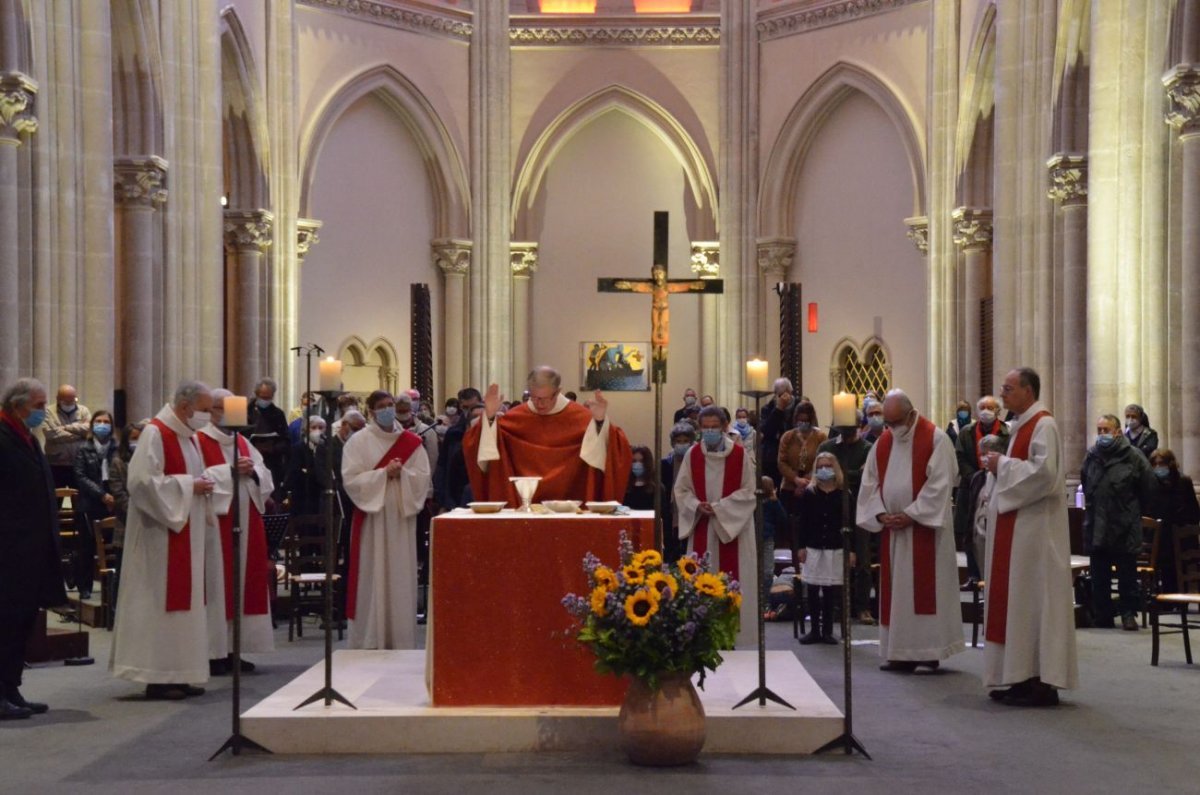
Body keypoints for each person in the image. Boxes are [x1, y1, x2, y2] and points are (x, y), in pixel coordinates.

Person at [110, 381, 219, 700]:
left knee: (186, 604)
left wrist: (200, 485)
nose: (208, 416)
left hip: (186, 530)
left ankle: (180, 672)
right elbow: (142, 483)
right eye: (204, 409)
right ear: (185, 407)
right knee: (159, 603)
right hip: (160, 536)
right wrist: (190, 487)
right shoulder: (156, 433)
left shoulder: (189, 436)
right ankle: (157, 676)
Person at [980, 366, 1078, 706]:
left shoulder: (1044, 424)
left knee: (1035, 604)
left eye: (1008, 388)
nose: (1003, 394)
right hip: (1019, 534)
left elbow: (1046, 474)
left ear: (1028, 391)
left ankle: (1040, 681)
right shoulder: (1022, 424)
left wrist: (1001, 466)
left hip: (1037, 537)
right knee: (1019, 605)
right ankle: (1019, 677)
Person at [856, 389, 963, 672]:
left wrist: (911, 515)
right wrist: (881, 513)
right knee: (897, 593)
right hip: (894, 531)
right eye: (887, 423)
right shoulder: (883, 443)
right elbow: (870, 483)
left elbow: (941, 484)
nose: (891, 428)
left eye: (895, 421)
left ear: (911, 414)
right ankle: (899, 652)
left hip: (925, 531)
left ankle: (927, 651)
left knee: (924, 591)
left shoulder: (936, 438)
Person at [341, 390, 431, 649]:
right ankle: (370, 637)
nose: (388, 410)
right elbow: (351, 480)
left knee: (400, 575)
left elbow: (423, 478)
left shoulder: (411, 442)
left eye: (391, 405)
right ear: (371, 411)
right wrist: (382, 475)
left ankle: (399, 638)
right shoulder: (358, 442)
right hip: (372, 518)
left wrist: (401, 474)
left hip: (401, 516)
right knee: (373, 574)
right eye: (382, 406)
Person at [463, 366, 632, 504]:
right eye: (533, 397)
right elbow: (482, 450)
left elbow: (615, 451)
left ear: (558, 391)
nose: (539, 403)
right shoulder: (515, 417)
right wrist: (490, 417)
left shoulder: (582, 418)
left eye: (544, 398)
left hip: (573, 504)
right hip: (523, 506)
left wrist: (600, 422)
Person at [0, 378, 67, 719]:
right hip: (8, 550)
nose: (44, 412)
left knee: (21, 623)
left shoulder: (28, 437)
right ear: (18, 405)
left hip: (30, 549)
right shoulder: (2, 437)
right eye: (40, 406)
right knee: (5, 622)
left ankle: (11, 688)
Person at [197, 390, 275, 674]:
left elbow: (265, 476)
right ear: (212, 410)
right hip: (216, 523)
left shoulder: (242, 441)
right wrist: (229, 470)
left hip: (246, 518)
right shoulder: (199, 440)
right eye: (222, 408)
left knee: (242, 583)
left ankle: (233, 649)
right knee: (218, 584)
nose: (228, 414)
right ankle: (212, 651)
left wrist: (252, 471)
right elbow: (197, 476)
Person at [673, 406, 758, 648]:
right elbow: (681, 490)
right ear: (700, 429)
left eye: (714, 427)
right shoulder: (692, 455)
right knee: (703, 579)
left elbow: (750, 492)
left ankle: (735, 638)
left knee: (734, 581)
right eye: (705, 427)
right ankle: (702, 636)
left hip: (734, 530)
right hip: (703, 526)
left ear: (723, 427)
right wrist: (696, 505)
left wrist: (720, 508)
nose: (710, 431)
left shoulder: (740, 455)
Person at [1080, 413, 1154, 631]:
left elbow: (1148, 487)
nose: (1102, 434)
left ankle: (1128, 614)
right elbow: (1085, 481)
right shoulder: (1092, 456)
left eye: (1107, 430)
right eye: (1099, 430)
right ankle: (1103, 616)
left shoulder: (1133, 456)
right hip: (1097, 524)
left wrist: (1131, 510)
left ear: (1118, 432)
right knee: (1099, 574)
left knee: (1126, 574)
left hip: (1125, 523)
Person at [817, 413, 874, 624]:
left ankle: (862, 606)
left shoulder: (868, 449)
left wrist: (840, 473)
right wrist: (848, 474)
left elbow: (867, 476)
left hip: (860, 507)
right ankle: (836, 606)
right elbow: (821, 473)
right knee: (833, 557)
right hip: (831, 507)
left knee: (862, 560)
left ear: (859, 425)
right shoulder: (828, 447)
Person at [796, 452, 854, 644]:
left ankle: (828, 630)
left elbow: (850, 524)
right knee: (812, 587)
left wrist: (851, 549)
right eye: (820, 466)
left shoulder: (844, 494)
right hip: (813, 545)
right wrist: (801, 547)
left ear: (835, 468)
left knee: (831, 589)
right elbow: (802, 522)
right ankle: (814, 630)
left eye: (828, 465)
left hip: (835, 546)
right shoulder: (809, 494)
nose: (824, 470)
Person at [953, 395, 1009, 585]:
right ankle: (973, 575)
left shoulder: (1005, 432)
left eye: (990, 407)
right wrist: (977, 476)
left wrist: (992, 472)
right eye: (983, 407)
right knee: (970, 532)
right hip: (970, 486)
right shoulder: (966, 432)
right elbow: (959, 458)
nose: (986, 411)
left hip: (998, 482)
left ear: (998, 411)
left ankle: (993, 576)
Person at [72, 410, 118, 599]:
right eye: (98, 421)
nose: (102, 424)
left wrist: (114, 497)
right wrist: (101, 495)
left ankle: (111, 590)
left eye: (106, 421)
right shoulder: (84, 448)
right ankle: (85, 587)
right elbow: (80, 476)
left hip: (113, 502)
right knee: (86, 546)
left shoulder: (116, 447)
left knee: (112, 547)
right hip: (90, 502)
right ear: (92, 425)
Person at [1146, 449, 1200, 595]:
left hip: (1180, 532)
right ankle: (1165, 595)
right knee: (1162, 554)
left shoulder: (1183, 481)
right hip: (1160, 534)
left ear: (1170, 464)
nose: (1158, 467)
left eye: (1161, 463)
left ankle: (1178, 594)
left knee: (1176, 557)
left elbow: (1194, 512)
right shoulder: (1151, 483)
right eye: (1155, 464)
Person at [107, 421, 146, 574]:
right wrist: (139, 512)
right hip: (126, 523)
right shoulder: (118, 463)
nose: (138, 443)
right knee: (123, 572)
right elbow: (119, 495)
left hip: (147, 526)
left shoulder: (149, 462)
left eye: (141, 439)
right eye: (134, 438)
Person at [436, 388, 482, 510]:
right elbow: (443, 466)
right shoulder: (454, 433)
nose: (470, 412)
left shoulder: (492, 432)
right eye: (466, 408)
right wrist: (443, 502)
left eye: (473, 407)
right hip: (456, 495)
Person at [248, 377, 290, 502]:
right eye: (262, 397)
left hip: (272, 464)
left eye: (268, 397)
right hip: (251, 463)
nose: (265, 400)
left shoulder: (278, 414)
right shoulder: (246, 412)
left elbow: (286, 441)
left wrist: (272, 448)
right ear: (256, 395)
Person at [41, 383, 92, 488]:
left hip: (79, 463)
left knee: (80, 499)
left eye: (73, 400)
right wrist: (79, 434)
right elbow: (51, 434)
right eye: (66, 401)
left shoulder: (83, 411)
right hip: (56, 464)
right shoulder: (48, 412)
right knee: (55, 499)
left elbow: (89, 429)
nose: (70, 404)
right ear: (58, 399)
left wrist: (66, 427)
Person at [660, 422, 695, 563]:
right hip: (670, 511)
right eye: (678, 441)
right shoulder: (665, 464)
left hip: (690, 509)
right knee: (671, 547)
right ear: (673, 443)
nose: (682, 444)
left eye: (686, 441)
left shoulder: (696, 463)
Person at [284, 415, 325, 516]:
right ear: (306, 430)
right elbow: (294, 473)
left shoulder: (326, 449)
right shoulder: (298, 448)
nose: (318, 431)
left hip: (321, 496)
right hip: (303, 496)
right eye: (314, 427)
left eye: (321, 428)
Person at [758, 378, 795, 485]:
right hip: (772, 456)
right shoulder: (768, 408)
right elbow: (766, 430)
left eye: (785, 394)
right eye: (779, 395)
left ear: (790, 392)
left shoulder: (798, 405)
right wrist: (779, 409)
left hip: (792, 454)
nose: (783, 398)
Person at [623, 445, 662, 511]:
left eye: (641, 461)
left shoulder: (657, 489)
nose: (637, 464)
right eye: (634, 461)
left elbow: (663, 515)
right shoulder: (624, 488)